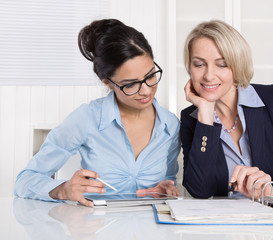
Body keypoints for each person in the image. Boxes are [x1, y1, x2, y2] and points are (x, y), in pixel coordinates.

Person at [14, 19, 181, 206]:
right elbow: (25, 180)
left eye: (150, 75)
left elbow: (168, 178)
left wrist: (166, 189)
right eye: (130, 84)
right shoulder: (87, 118)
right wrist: (62, 190)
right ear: (107, 83)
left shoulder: (171, 125)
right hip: (99, 230)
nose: (146, 91)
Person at [180, 20, 273, 200]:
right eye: (199, 64)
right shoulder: (192, 119)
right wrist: (205, 114)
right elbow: (199, 190)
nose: (209, 76)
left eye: (222, 64)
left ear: (237, 64)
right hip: (223, 224)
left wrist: (272, 192)